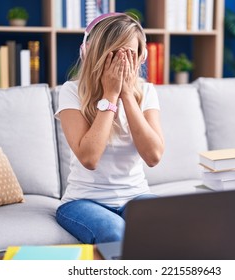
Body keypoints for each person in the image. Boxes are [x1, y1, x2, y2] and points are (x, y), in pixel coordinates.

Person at [54, 13, 165, 244]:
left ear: (141, 57)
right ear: (94, 55)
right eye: (116, 55)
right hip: (83, 201)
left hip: (136, 195)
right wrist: (111, 94)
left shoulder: (146, 92)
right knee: (116, 234)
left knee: (168, 228)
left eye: (131, 55)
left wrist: (126, 93)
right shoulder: (71, 92)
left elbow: (153, 156)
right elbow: (89, 158)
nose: (123, 63)